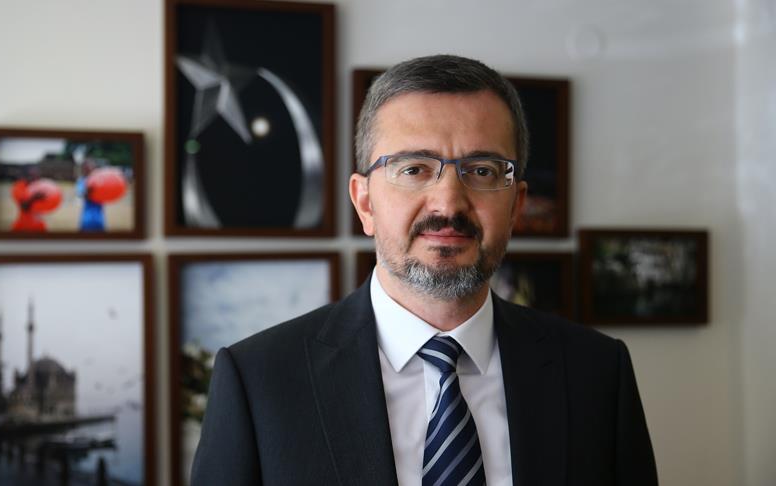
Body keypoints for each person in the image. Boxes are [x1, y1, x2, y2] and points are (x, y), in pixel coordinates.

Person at [190, 54, 658, 486]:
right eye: (414, 169)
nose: (448, 203)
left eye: (482, 170)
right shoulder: (258, 380)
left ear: (516, 205)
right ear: (365, 202)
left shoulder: (597, 372)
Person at [76, 159, 105, 231]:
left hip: (99, 217)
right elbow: (81, 194)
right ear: (83, 169)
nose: (89, 169)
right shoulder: (82, 180)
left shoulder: (100, 180)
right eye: (86, 167)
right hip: (87, 216)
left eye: (91, 166)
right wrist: (89, 190)